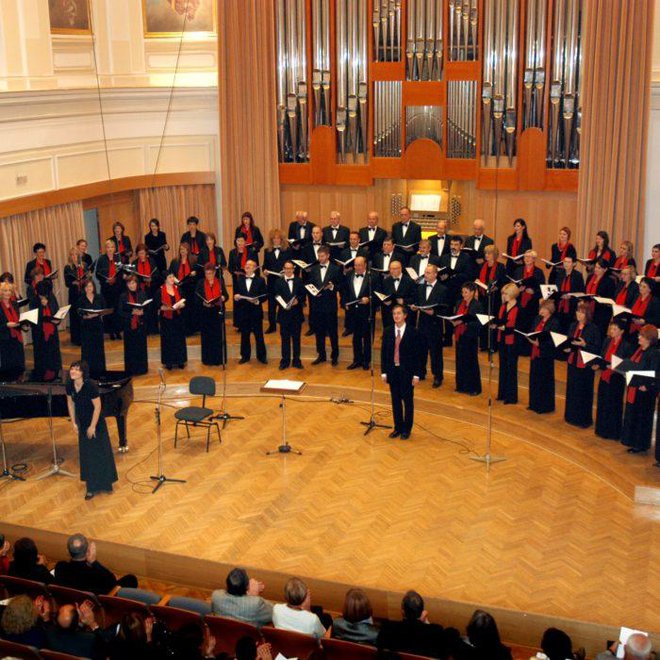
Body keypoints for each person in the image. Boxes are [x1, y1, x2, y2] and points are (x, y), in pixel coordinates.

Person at [66, 360, 118, 500]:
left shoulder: (91, 385)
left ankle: (106, 484)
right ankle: (91, 487)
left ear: (83, 373)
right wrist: (74, 423)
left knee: (100, 452)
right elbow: (70, 404)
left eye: (77, 369)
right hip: (82, 423)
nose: (73, 371)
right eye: (72, 368)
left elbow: (98, 407)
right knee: (87, 454)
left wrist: (93, 426)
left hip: (96, 423)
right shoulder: (70, 384)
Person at [381, 305, 423, 439]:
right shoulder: (388, 331)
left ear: (405, 315)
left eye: (399, 313)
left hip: (407, 372)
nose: (396, 316)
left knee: (408, 401)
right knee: (395, 400)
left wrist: (417, 375)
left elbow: (418, 356)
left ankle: (406, 429)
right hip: (393, 371)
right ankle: (398, 427)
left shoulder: (413, 332)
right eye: (394, 314)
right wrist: (384, 372)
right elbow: (384, 353)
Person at [54, 533, 137, 594]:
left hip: (75, 598)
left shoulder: (60, 567)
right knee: (131, 579)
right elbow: (112, 581)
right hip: (99, 599)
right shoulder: (94, 573)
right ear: (88, 551)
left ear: (67, 552)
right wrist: (93, 561)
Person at [620, 324, 658, 455]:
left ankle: (640, 444)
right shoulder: (639, 350)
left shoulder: (654, 353)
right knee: (633, 415)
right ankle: (631, 441)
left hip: (645, 391)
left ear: (649, 338)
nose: (639, 337)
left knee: (642, 418)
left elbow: (655, 372)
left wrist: (646, 385)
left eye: (642, 335)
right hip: (635, 387)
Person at [594, 320, 634, 440]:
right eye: (611, 329)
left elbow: (626, 365)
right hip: (605, 375)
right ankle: (601, 429)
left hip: (616, 378)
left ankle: (612, 432)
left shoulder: (626, 346)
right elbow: (602, 356)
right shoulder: (607, 341)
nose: (611, 331)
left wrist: (615, 367)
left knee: (613, 405)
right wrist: (598, 364)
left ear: (621, 331)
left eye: (614, 329)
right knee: (602, 402)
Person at [376, 590, 446, 657]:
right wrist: (425, 622)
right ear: (422, 613)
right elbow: (440, 654)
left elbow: (380, 649)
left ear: (403, 612)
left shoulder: (387, 628)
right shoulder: (436, 631)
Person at [564, 302, 601, 428]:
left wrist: (584, 345)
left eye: (582, 312)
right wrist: (567, 348)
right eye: (577, 311)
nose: (578, 314)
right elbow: (569, 341)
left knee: (583, 391)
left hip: (585, 364)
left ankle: (582, 419)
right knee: (572, 389)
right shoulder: (573, 325)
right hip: (573, 361)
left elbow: (597, 348)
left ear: (587, 314)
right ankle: (571, 416)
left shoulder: (593, 328)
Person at [411, 264, 448, 387]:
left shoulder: (442, 289)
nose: (425, 275)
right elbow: (417, 302)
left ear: (435, 274)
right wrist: (414, 307)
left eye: (428, 273)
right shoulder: (420, 288)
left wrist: (434, 312)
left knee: (435, 353)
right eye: (425, 272)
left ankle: (438, 376)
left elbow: (445, 309)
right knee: (421, 350)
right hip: (422, 324)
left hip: (435, 326)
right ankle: (421, 372)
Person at [308, 246, 340, 365]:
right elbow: (310, 283)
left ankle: (335, 355)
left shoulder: (335, 269)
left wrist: (332, 286)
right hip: (317, 304)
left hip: (330, 305)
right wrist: (313, 292)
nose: (320, 258)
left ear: (328, 256)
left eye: (322, 256)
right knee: (319, 331)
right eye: (318, 256)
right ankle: (321, 354)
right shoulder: (314, 269)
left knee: (332, 331)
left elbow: (341, 285)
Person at [527, 299, 561, 413]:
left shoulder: (554, 322)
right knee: (534, 378)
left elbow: (553, 340)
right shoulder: (537, 319)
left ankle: (544, 406)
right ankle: (533, 403)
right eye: (541, 308)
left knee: (544, 380)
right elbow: (532, 331)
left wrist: (540, 344)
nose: (541, 310)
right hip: (535, 352)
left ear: (549, 310)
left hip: (546, 354)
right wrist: (530, 338)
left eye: (543, 309)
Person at [234, 260, 267, 364]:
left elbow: (265, 295)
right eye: (246, 265)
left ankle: (261, 357)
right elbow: (236, 294)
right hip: (244, 311)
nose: (247, 267)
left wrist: (257, 301)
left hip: (256, 311)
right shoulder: (239, 280)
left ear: (254, 268)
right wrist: (236, 297)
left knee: (259, 335)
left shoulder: (260, 280)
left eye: (250, 265)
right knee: (245, 335)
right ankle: (245, 356)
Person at [492, 283, 520, 404]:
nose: (504, 295)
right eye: (503, 293)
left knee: (511, 368)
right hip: (502, 339)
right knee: (503, 366)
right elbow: (500, 320)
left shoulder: (519, 308)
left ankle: (511, 397)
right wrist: (495, 325)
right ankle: (502, 393)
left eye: (506, 293)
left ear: (513, 294)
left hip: (513, 341)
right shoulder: (503, 306)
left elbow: (519, 327)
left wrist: (505, 328)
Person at [196, 263, 229, 366]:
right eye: (206, 273)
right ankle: (208, 359)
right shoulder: (201, 283)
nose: (208, 275)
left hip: (217, 312)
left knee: (218, 337)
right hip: (205, 313)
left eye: (210, 273)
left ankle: (219, 359)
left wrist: (223, 298)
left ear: (214, 273)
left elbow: (226, 295)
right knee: (207, 337)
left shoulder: (219, 281)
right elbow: (196, 298)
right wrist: (203, 303)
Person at [453, 282, 483, 396]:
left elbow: (478, 322)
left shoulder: (477, 305)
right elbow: (456, 315)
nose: (463, 294)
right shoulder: (459, 302)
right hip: (459, 335)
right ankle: (461, 385)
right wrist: (454, 321)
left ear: (472, 292)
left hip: (470, 336)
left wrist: (464, 321)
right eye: (462, 292)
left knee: (471, 362)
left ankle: (474, 388)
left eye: (466, 292)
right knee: (460, 361)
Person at [344, 256, 374, 370]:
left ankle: (366, 361)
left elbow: (376, 294)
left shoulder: (372, 277)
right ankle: (357, 360)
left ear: (365, 265)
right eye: (355, 265)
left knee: (367, 338)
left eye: (360, 265)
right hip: (353, 312)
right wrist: (345, 303)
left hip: (366, 312)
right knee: (355, 338)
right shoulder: (349, 275)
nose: (357, 267)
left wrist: (369, 299)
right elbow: (345, 292)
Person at [274, 260, 305, 370]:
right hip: (284, 314)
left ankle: (297, 360)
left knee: (296, 339)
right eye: (286, 268)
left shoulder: (299, 281)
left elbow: (303, 296)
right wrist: (283, 304)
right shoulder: (278, 282)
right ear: (284, 269)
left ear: (293, 269)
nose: (288, 270)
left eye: (290, 268)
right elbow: (276, 296)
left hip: (296, 314)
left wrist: (298, 301)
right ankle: (285, 361)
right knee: (285, 339)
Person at [30, 281, 63, 382]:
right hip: (40, 333)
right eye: (41, 295)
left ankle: (56, 374)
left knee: (53, 354)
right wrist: (42, 306)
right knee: (42, 355)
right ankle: (42, 376)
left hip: (52, 331)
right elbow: (34, 317)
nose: (43, 297)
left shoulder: (51, 297)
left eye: (45, 295)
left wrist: (56, 318)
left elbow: (56, 311)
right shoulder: (34, 300)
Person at [476, 244, 505, 351]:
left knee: (493, 320)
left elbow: (503, 282)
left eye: (489, 253)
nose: (486, 255)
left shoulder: (500, 267)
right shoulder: (482, 266)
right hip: (484, 297)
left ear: (494, 255)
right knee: (484, 320)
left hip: (495, 298)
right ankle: (484, 344)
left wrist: (496, 287)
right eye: (486, 253)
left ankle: (493, 345)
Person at [119, 275, 149, 377]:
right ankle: (131, 370)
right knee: (130, 348)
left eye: (133, 283)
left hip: (141, 325)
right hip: (129, 326)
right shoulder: (123, 296)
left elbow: (148, 309)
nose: (132, 285)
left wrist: (142, 312)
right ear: (127, 285)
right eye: (129, 283)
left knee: (141, 347)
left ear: (137, 283)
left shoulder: (142, 294)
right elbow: (120, 312)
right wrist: (132, 313)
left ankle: (142, 368)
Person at [64, 243, 93, 346]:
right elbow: (67, 283)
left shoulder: (84, 265)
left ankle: (86, 336)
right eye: (72, 255)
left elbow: (88, 279)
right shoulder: (67, 268)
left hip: (83, 293)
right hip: (74, 294)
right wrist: (74, 282)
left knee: (84, 315)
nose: (74, 257)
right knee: (75, 316)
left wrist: (87, 277)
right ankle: (76, 339)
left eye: (76, 254)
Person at [228, 235, 259, 330]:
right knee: (238, 301)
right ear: (235, 241)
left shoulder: (251, 252)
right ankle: (239, 324)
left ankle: (251, 323)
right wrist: (235, 272)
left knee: (248, 300)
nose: (240, 243)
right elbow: (230, 267)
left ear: (245, 242)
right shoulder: (232, 252)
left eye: (242, 241)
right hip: (237, 280)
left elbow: (256, 266)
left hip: (249, 279)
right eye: (238, 241)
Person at [157, 273, 187, 370]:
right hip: (166, 319)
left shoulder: (178, 289)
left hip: (178, 317)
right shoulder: (160, 290)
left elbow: (184, 302)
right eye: (169, 277)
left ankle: (180, 360)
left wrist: (181, 305)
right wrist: (165, 308)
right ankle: (168, 361)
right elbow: (157, 305)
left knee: (179, 339)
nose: (172, 279)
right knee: (168, 340)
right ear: (165, 279)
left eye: (173, 277)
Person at [95, 239, 123, 340]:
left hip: (117, 288)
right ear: (105, 249)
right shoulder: (101, 259)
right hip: (106, 289)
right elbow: (97, 273)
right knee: (108, 310)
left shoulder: (118, 258)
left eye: (112, 247)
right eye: (108, 247)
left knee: (116, 309)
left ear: (114, 248)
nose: (110, 249)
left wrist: (116, 279)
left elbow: (121, 272)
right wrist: (106, 280)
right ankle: (110, 331)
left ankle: (118, 331)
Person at [169, 241, 199, 336]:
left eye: (185, 249)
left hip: (190, 288)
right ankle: (182, 329)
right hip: (179, 288)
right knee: (181, 309)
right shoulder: (175, 261)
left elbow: (199, 273)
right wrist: (173, 278)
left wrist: (194, 273)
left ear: (188, 250)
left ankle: (191, 329)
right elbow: (170, 273)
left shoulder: (193, 260)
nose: (183, 251)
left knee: (190, 309)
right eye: (181, 249)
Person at [263, 229, 290, 333]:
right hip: (271, 282)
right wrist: (264, 271)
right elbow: (265, 265)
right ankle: (272, 326)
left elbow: (290, 265)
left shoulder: (287, 250)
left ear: (281, 239)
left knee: (283, 304)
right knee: (271, 305)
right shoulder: (267, 251)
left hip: (283, 282)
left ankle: (284, 324)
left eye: (278, 238)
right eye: (274, 238)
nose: (276, 240)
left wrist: (286, 272)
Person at [0, 281, 27, 381]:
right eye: (5, 291)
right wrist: (6, 325)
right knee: (8, 365)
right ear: (1, 292)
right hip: (5, 339)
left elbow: (18, 319)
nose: (8, 293)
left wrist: (24, 325)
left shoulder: (15, 304)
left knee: (19, 364)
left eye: (9, 291)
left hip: (17, 337)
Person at [514, 249, 545, 336]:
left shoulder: (539, 272)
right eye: (525, 257)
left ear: (534, 259)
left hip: (532, 304)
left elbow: (542, 289)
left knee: (530, 328)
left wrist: (533, 291)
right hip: (519, 303)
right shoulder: (518, 271)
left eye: (529, 257)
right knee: (518, 327)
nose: (526, 259)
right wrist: (518, 290)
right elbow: (513, 285)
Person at [132, 243, 160, 335]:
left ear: (146, 253)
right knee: (143, 309)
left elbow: (157, 274)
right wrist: (142, 279)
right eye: (139, 253)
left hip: (151, 288)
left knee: (152, 309)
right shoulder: (134, 263)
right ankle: (145, 329)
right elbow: (133, 277)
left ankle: (154, 329)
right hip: (140, 290)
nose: (141, 255)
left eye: (143, 253)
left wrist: (151, 279)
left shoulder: (152, 261)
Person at [378, 259, 416, 328]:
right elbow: (381, 296)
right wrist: (384, 301)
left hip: (405, 314)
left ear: (401, 268)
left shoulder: (409, 281)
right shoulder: (385, 281)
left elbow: (415, 298)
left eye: (395, 268)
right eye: (391, 269)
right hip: (389, 315)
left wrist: (404, 301)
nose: (393, 270)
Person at [585, 258, 616, 336]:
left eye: (599, 268)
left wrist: (599, 298)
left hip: (601, 313)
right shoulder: (590, 277)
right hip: (588, 310)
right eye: (595, 267)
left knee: (598, 334)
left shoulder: (609, 281)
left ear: (605, 269)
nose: (596, 269)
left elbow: (611, 299)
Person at [556, 254, 585, 332]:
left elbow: (581, 291)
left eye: (568, 262)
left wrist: (570, 296)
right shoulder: (559, 274)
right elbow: (555, 289)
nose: (566, 264)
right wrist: (561, 295)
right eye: (565, 262)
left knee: (569, 329)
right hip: (559, 305)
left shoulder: (578, 275)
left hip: (572, 306)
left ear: (574, 264)